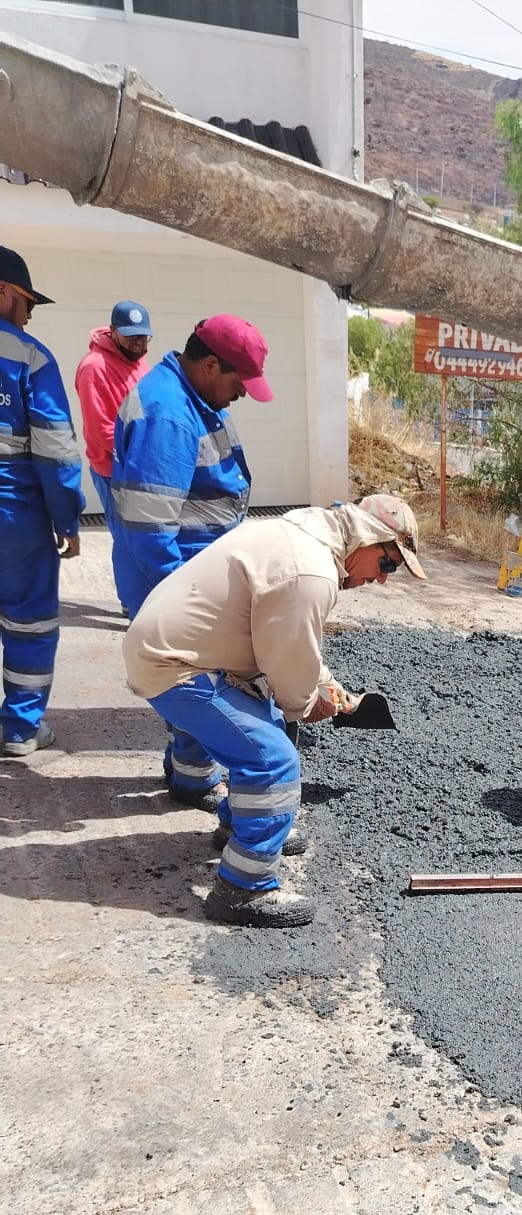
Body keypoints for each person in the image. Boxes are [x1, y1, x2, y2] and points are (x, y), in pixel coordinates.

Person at [122, 494, 426, 929]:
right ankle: (243, 890)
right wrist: (308, 704)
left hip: (176, 648)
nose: (382, 580)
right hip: (177, 667)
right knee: (273, 760)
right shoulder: (311, 572)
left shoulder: (297, 536)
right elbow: (287, 670)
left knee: (263, 716)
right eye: (388, 565)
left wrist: (326, 684)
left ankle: (237, 825)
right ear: (368, 539)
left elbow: (284, 637)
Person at [110, 313, 270, 809]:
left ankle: (190, 777)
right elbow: (149, 528)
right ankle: (204, 782)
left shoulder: (193, 397)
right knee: (199, 684)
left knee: (194, 680)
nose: (242, 393)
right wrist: (183, 600)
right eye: (238, 381)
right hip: (173, 579)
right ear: (209, 365)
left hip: (191, 573)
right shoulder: (168, 415)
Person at [0, 245, 86, 758]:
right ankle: (20, 729)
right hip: (15, 513)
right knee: (29, 619)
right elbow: (55, 450)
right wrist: (66, 517)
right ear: (4, 293)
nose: (29, 316)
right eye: (28, 303)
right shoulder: (29, 357)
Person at [73, 299, 154, 609]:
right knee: (126, 539)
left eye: (144, 336)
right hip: (114, 469)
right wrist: (140, 458)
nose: (139, 342)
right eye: (132, 335)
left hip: (141, 466)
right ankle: (131, 604)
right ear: (113, 331)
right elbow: (100, 429)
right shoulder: (95, 367)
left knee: (143, 537)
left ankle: (142, 598)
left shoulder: (138, 362)